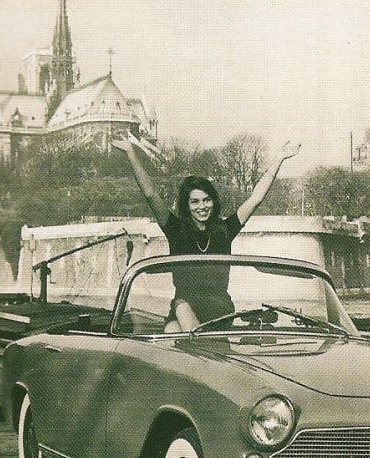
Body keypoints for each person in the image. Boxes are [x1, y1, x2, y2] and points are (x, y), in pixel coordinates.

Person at [112, 134, 300, 332]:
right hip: (183, 307)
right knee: (172, 329)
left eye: (207, 200)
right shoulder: (176, 230)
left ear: (213, 202)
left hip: (219, 311)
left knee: (179, 332)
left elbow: (255, 199)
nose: (202, 207)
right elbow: (150, 194)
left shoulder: (225, 230)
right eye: (195, 201)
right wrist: (130, 153)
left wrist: (279, 159)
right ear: (187, 205)